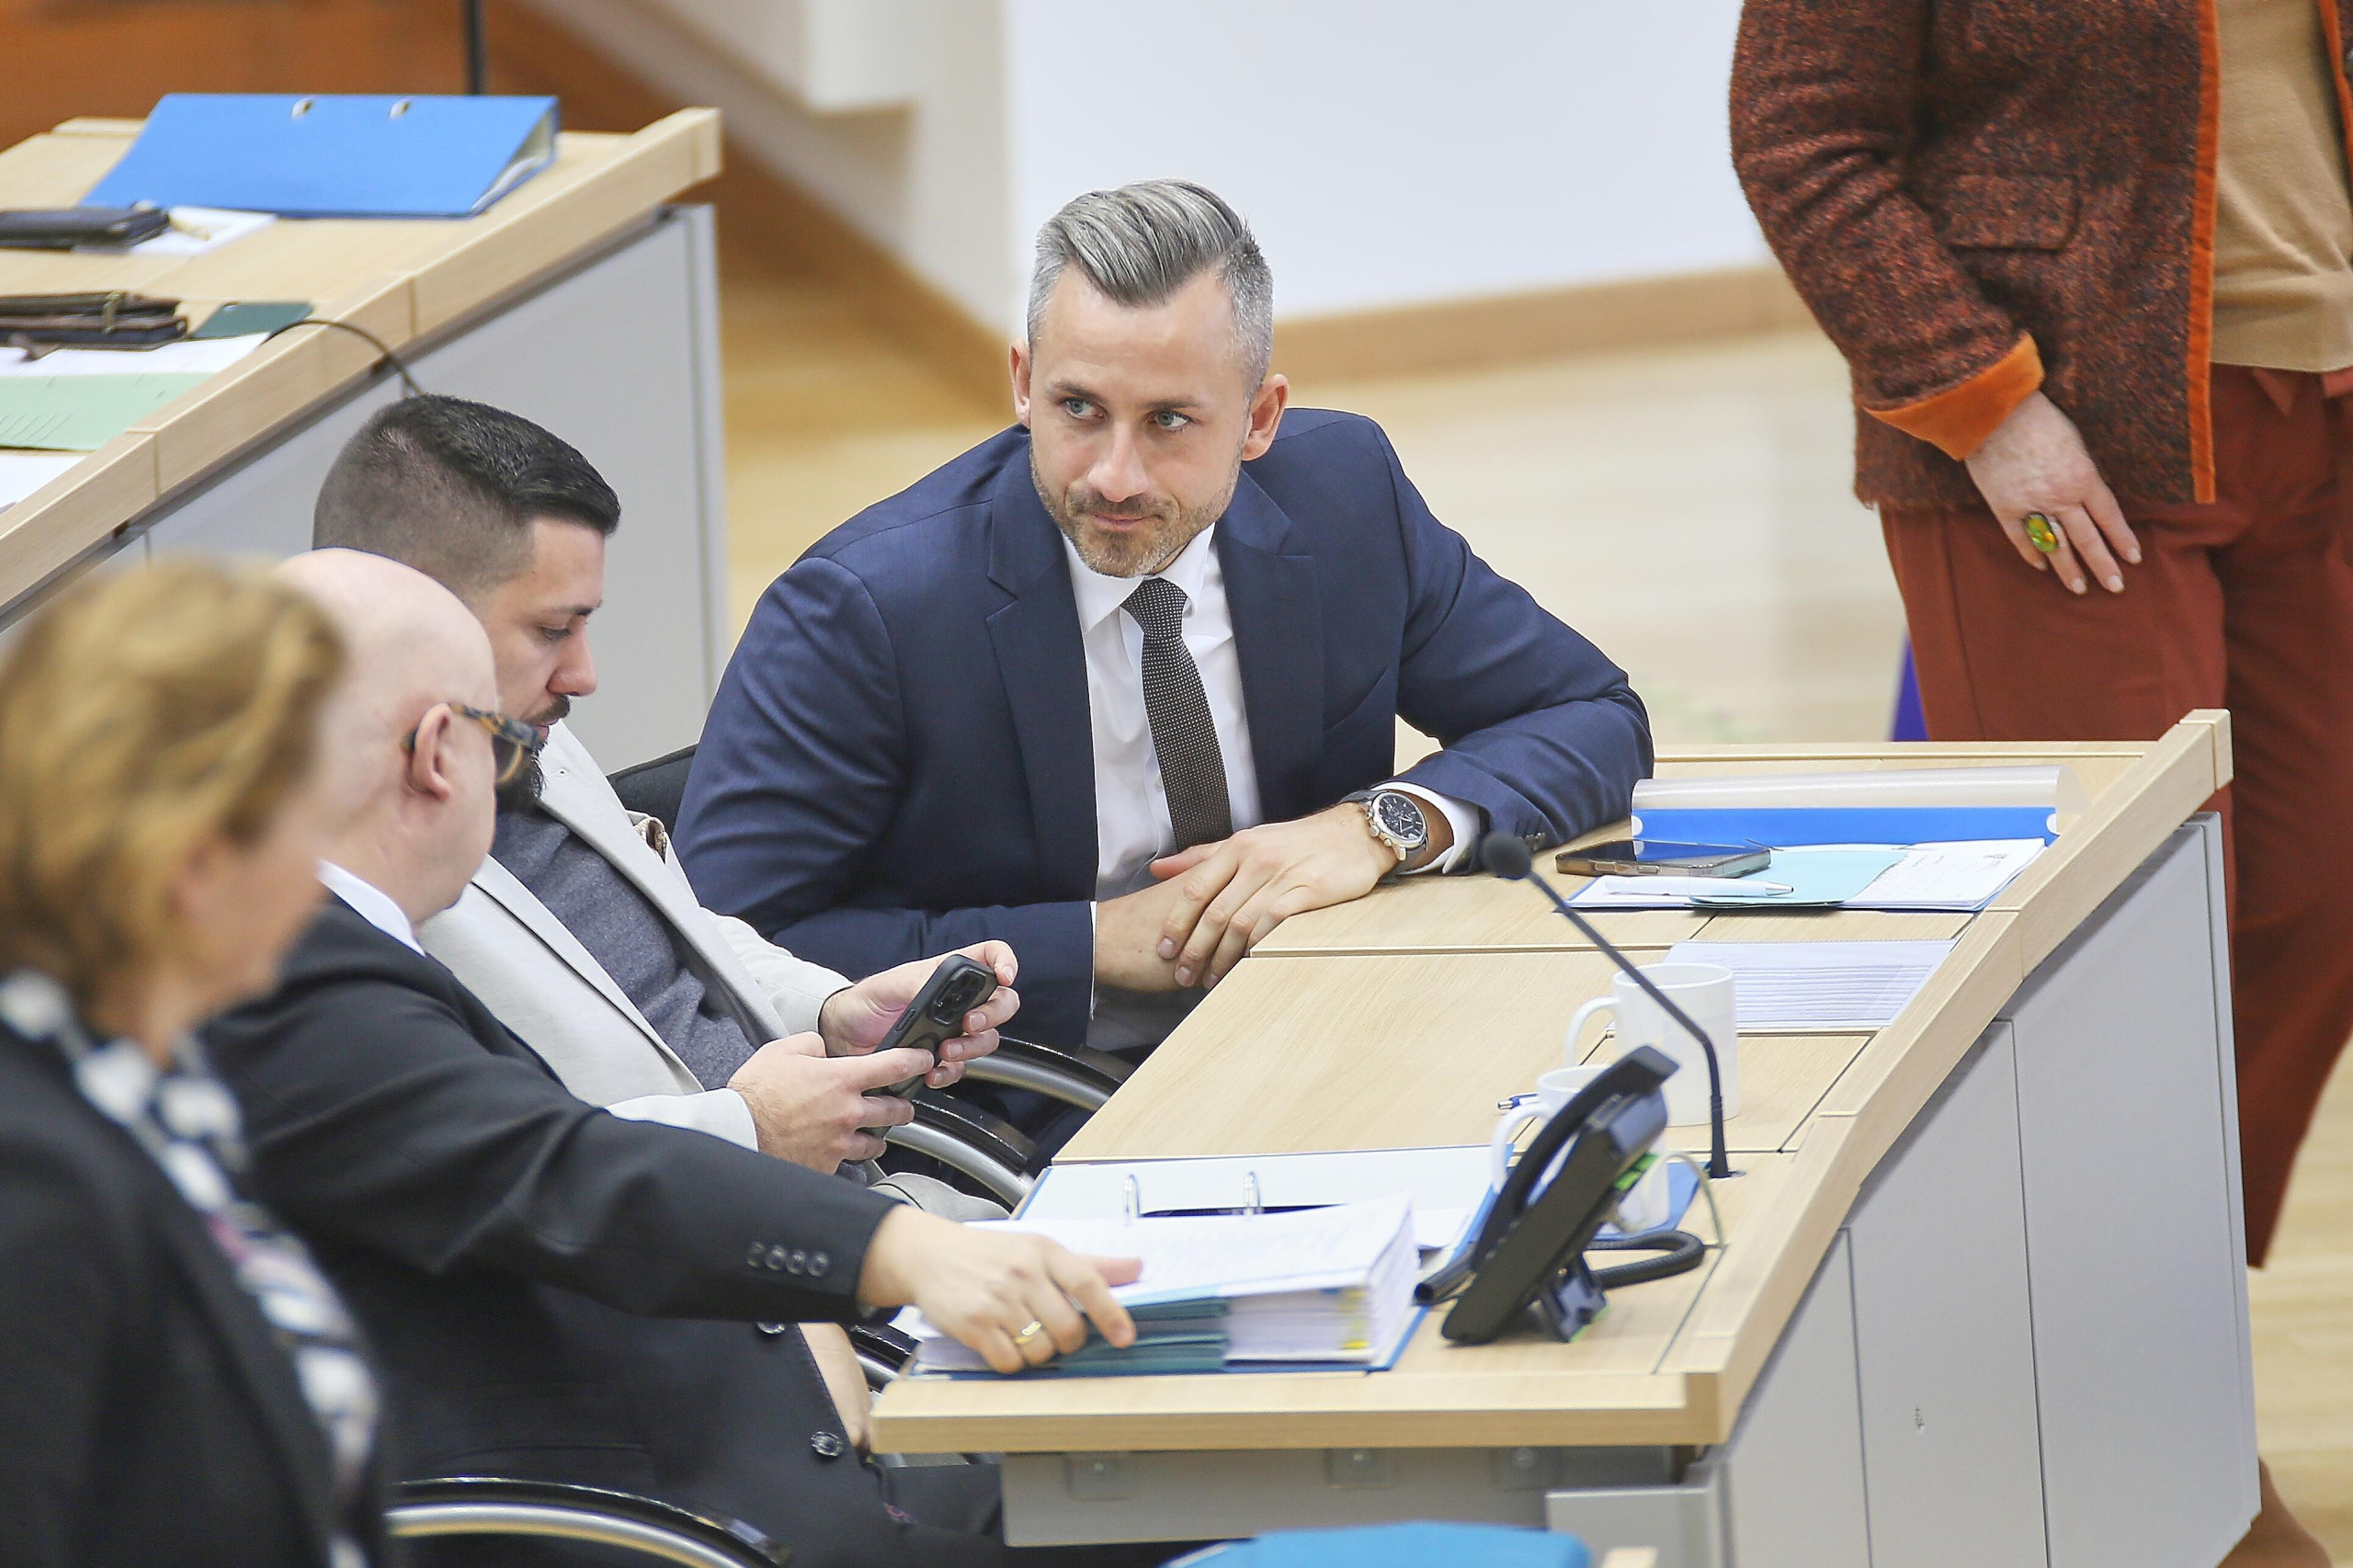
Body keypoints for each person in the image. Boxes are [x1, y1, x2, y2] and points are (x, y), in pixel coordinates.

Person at [1730, 4, 2341, 1561]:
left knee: (2315, 893)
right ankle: (2147, 1447)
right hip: (2059, 444)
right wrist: (1983, 404)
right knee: (2109, 981)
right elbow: (1803, 134)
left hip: (2317, 413)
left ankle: (2115, 1334)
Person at [205, 551, 1139, 1568]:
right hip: (664, 1516)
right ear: (438, 755)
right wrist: (905, 1251)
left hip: (738, 1446)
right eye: (508, 745)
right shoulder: (281, 978)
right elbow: (564, 1171)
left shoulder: (318, 942)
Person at [675, 179, 1651, 1094]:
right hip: (1040, 1090)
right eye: (1077, 410)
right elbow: (714, 942)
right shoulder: (865, 608)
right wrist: (1092, 941)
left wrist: (1377, 827)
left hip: (1333, 1016)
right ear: (1022, 383)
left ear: (1259, 417)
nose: (1114, 475)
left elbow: (1588, 713)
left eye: (1171, 421)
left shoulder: (1343, 493)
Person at [313, 397, 1011, 1194]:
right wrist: (750, 1127)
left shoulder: (528, 729)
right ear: (421, 611)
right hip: (718, 1266)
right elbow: (495, 1172)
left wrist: (828, 1009)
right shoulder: (361, 895)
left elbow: (675, 935)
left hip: (834, 1202)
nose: (584, 677)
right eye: (551, 630)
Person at [0, 561, 385, 1567]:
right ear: (195, 863)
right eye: (309, 823)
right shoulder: (33, 1179)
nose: (320, 875)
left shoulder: (160, 1082)